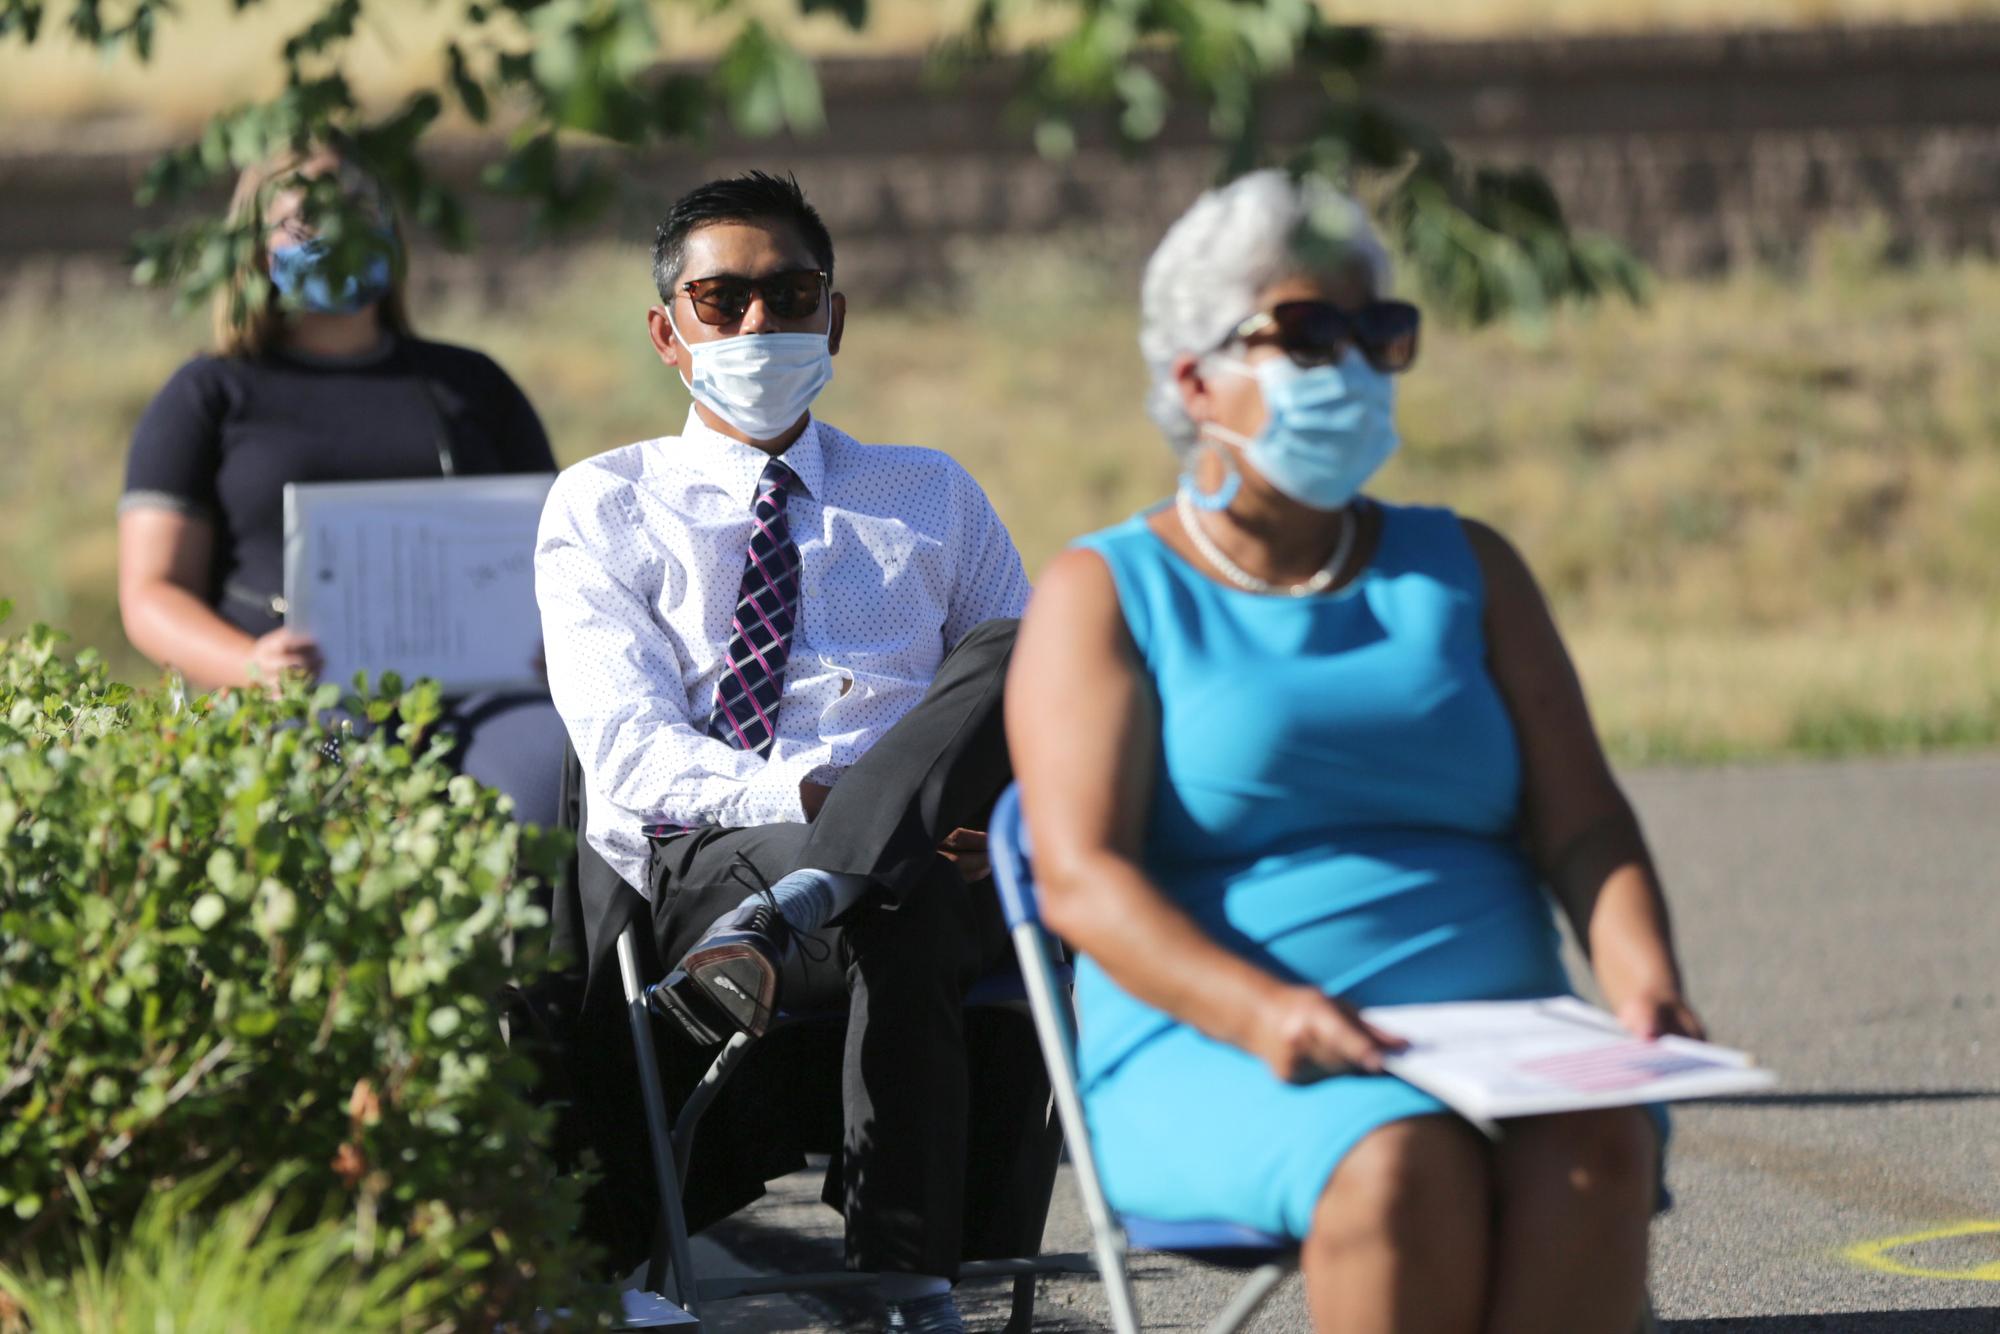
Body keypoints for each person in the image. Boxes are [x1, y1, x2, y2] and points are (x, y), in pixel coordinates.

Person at [1004, 168, 1705, 1334]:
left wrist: (1639, 976)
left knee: (1600, 1139)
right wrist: (1266, 1010)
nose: (1353, 367)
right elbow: (1080, 876)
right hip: (1224, 1044)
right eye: (1305, 332)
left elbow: (1584, 820)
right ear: (1194, 378)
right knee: (1399, 1157)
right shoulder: (1104, 593)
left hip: (1504, 1042)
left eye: (1378, 332)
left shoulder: (1468, 567)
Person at [534, 172, 1037, 1332]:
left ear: (835, 319)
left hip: (921, 869)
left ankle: (843, 870)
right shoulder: (606, 503)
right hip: (715, 860)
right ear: (669, 333)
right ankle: (910, 1287)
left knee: (1039, 637)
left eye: (790, 293)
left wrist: (987, 822)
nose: (758, 322)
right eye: (722, 299)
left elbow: (1023, 703)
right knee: (891, 894)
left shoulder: (928, 493)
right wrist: (805, 797)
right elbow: (626, 749)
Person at [117, 139, 566, 827]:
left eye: (358, 209)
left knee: (550, 780)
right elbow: (152, 592)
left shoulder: (471, 385)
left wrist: (553, 639)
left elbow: (564, 560)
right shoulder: (208, 395)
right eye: (308, 219)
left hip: (485, 695)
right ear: (256, 247)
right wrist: (250, 666)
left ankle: (545, 941)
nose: (339, 233)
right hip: (299, 704)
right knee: (334, 794)